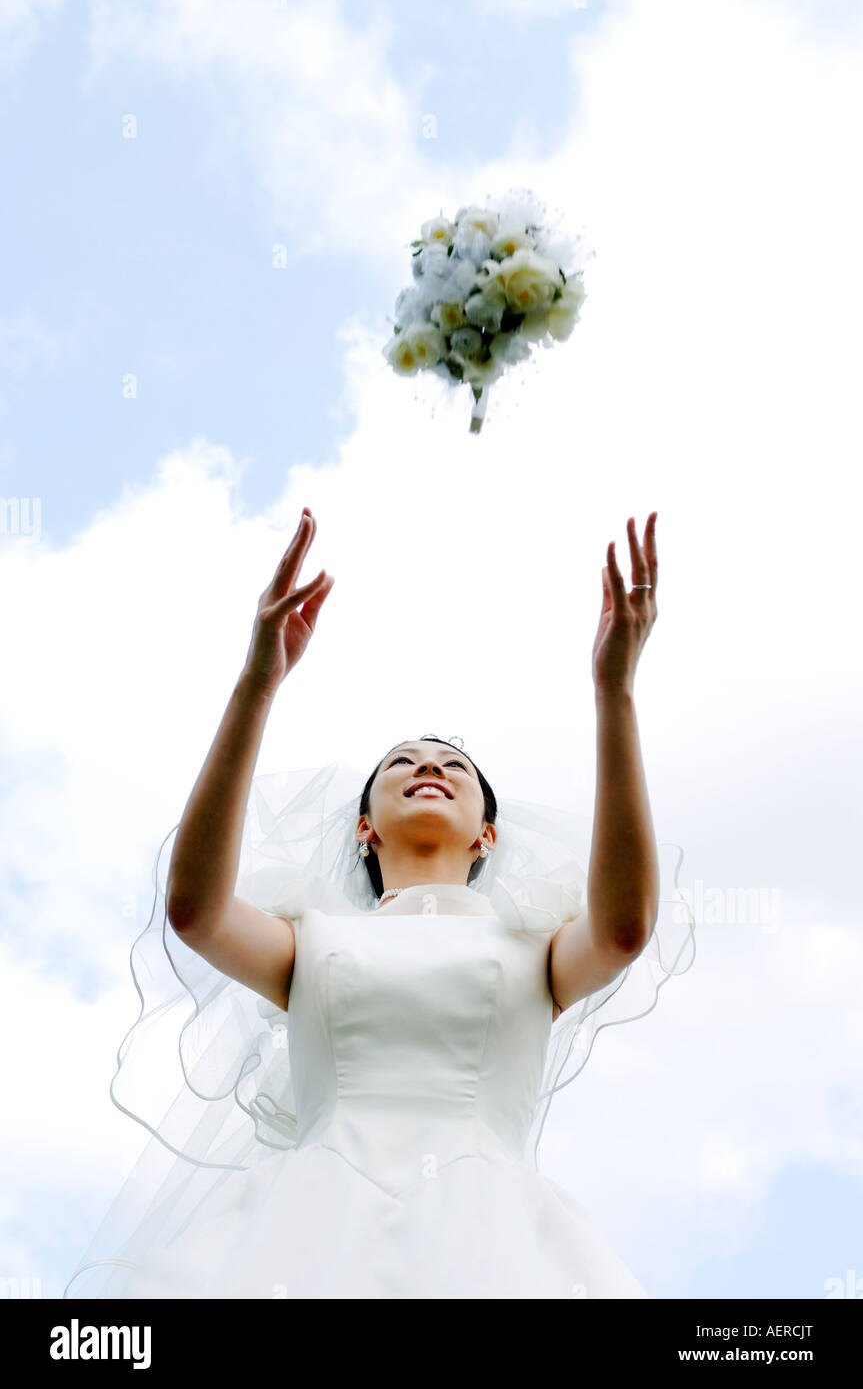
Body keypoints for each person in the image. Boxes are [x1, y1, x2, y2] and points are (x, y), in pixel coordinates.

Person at [63, 507, 695, 1299]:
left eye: (453, 767)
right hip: (305, 1230)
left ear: (487, 836)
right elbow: (195, 911)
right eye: (402, 761)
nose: (429, 767)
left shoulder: (536, 945)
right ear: (364, 826)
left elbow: (625, 928)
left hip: (490, 1236)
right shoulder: (311, 939)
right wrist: (258, 682)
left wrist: (615, 693)